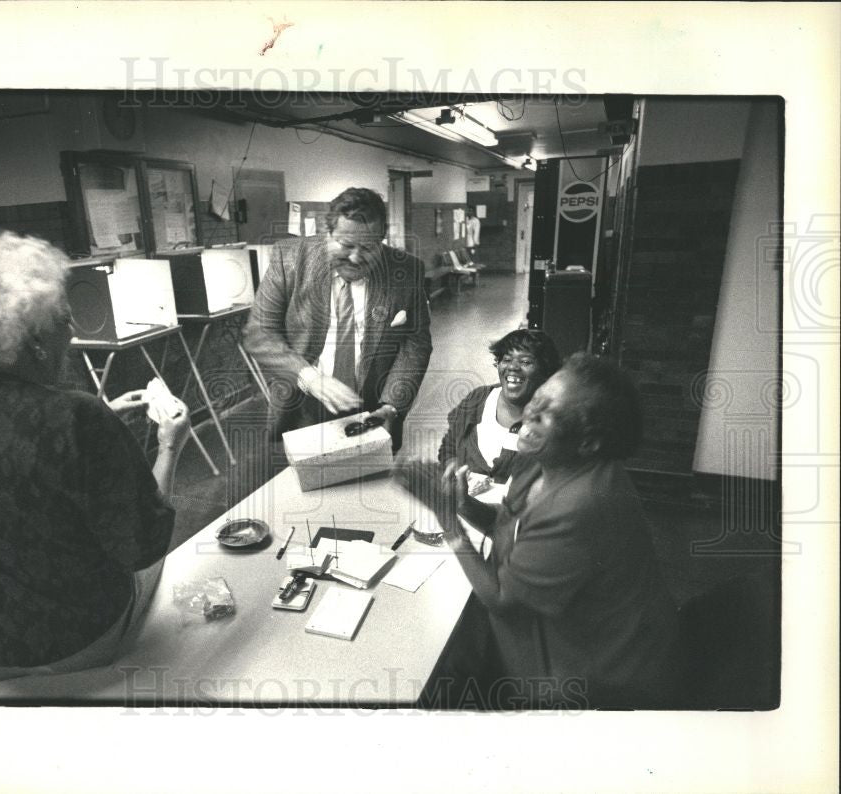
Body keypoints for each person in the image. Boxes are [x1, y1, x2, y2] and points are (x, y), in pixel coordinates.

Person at [0, 232, 191, 680]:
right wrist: (170, 445)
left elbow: (11, 447)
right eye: (66, 320)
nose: (72, 332)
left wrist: (99, 417)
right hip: (68, 642)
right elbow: (142, 545)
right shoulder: (75, 417)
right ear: (35, 342)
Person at [398, 353, 679, 709]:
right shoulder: (544, 455)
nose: (528, 415)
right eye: (536, 401)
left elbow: (501, 599)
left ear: (588, 442)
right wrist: (461, 504)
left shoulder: (582, 505)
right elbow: (510, 523)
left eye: (545, 415)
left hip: (599, 675)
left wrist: (447, 521)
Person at [243, 187, 432, 452]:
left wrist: (391, 406)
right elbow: (259, 333)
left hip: (373, 413)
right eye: (345, 245)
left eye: (368, 247)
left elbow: (415, 344)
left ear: (382, 239)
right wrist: (309, 377)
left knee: (371, 490)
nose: (355, 257)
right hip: (301, 406)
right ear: (327, 233)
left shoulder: (406, 269)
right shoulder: (289, 259)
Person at [438, 329, 560, 487]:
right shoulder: (477, 400)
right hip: (462, 507)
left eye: (525, 362)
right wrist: (451, 463)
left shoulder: (551, 418)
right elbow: (449, 444)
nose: (513, 367)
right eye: (506, 359)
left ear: (545, 371)